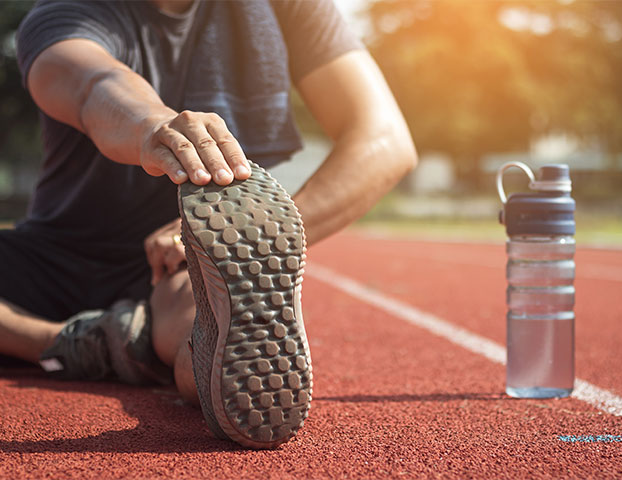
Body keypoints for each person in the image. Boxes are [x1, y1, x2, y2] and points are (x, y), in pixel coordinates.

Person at [0, 0, 417, 448]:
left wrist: (252, 234)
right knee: (190, 319)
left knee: (210, 318)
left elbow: (386, 142)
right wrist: (154, 127)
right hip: (50, 260)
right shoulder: (66, 10)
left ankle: (209, 361)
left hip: (185, 263)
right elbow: (94, 84)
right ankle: (91, 342)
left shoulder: (289, 6)